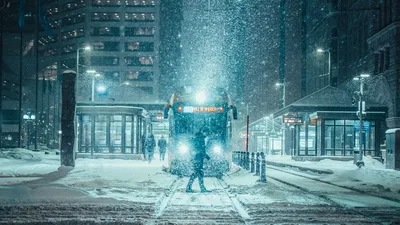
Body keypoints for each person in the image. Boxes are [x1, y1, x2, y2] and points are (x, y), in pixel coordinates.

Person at [186, 127, 211, 193]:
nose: (207, 134)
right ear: (204, 132)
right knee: (197, 173)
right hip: (198, 158)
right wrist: (206, 156)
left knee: (199, 173)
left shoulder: (198, 137)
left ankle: (201, 188)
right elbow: (201, 149)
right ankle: (189, 188)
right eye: (207, 133)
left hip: (197, 158)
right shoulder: (200, 139)